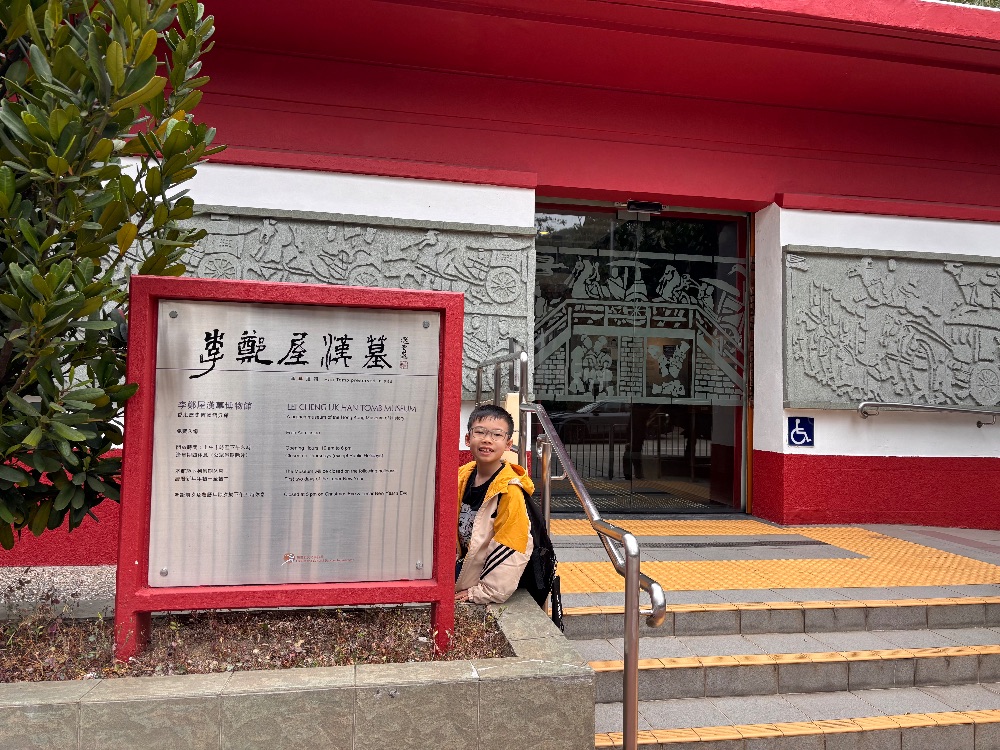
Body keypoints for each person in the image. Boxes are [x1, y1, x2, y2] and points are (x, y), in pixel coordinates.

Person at [455, 404, 535, 604]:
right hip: (462, 566)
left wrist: (484, 592)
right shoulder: (462, 476)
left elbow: (512, 546)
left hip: (480, 578)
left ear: (508, 444)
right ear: (467, 439)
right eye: (480, 432)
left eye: (497, 435)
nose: (487, 439)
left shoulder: (510, 491)